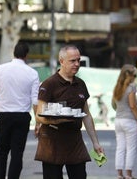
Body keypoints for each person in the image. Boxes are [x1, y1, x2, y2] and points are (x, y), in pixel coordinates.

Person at [34, 45, 104, 179]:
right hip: (52, 141)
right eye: (73, 61)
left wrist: (95, 142)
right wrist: (57, 120)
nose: (77, 64)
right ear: (61, 61)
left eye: (78, 60)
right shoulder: (49, 84)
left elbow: (87, 115)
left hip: (74, 140)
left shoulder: (81, 84)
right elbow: (39, 115)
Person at [0, 42, 40, 179]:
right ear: (26, 55)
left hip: (3, 116)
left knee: (1, 151)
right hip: (22, 117)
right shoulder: (32, 73)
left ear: (13, 53)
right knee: (17, 153)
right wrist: (38, 123)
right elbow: (35, 100)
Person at [111, 64, 137, 179]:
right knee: (131, 148)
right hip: (129, 120)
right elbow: (133, 105)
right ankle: (129, 174)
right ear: (130, 75)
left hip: (118, 120)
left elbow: (114, 104)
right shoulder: (131, 87)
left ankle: (119, 174)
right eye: (134, 74)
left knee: (120, 147)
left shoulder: (117, 87)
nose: (135, 77)